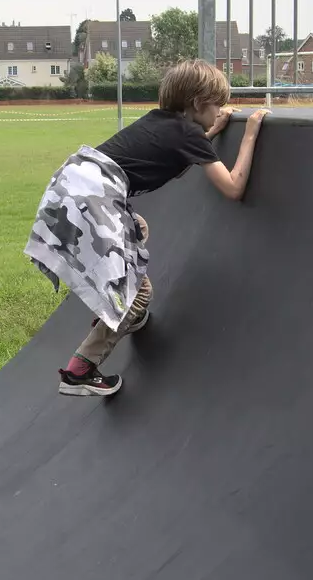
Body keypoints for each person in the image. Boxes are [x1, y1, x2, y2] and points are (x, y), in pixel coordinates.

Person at [23, 59, 270, 397]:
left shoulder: (161, 122)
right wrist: (251, 134)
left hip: (73, 183)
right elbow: (233, 188)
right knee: (138, 295)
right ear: (198, 103)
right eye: (217, 105)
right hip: (97, 195)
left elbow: (175, 160)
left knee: (138, 228)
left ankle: (120, 316)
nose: (220, 111)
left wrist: (209, 134)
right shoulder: (187, 133)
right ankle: (80, 371)